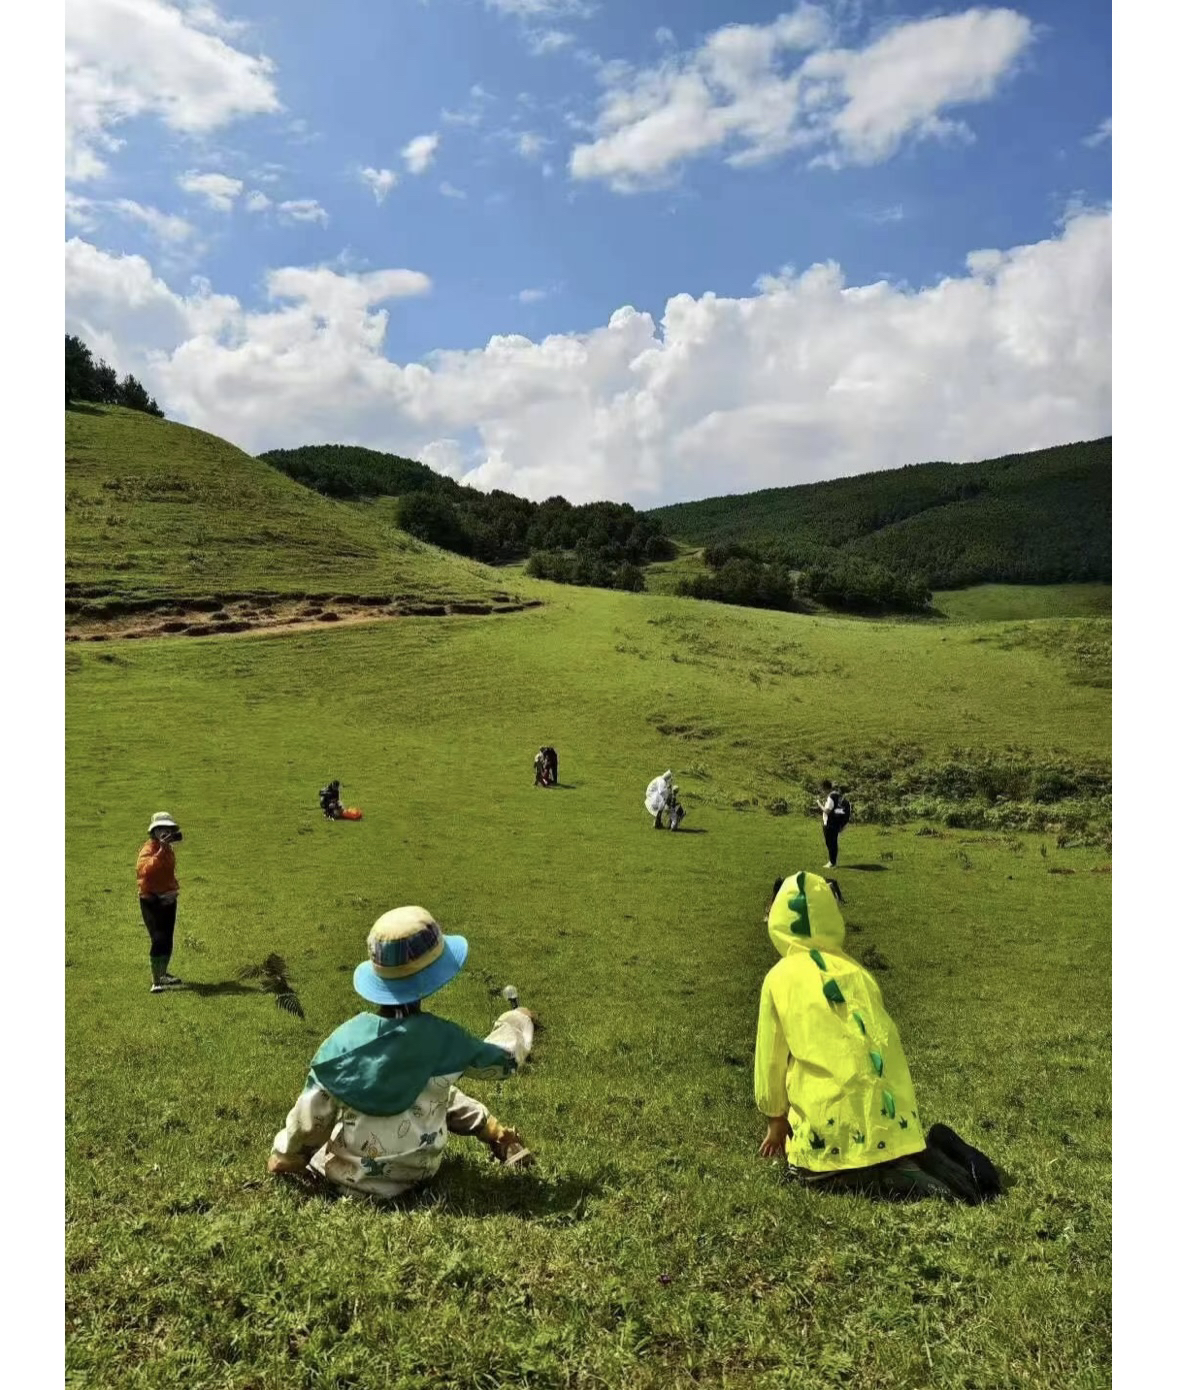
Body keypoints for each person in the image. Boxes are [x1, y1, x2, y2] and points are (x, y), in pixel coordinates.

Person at [754, 872, 999, 1202]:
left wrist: (775, 1121)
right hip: (893, 1128)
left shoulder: (779, 978)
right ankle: (928, 1156)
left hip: (830, 1143)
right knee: (890, 1154)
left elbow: (770, 1061)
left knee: (810, 1172)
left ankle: (908, 1177)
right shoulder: (859, 974)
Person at [267, 906, 540, 1200]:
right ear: (432, 976)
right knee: (439, 1091)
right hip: (421, 1171)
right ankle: (497, 1133)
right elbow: (503, 1060)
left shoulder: (342, 1046)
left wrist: (286, 1156)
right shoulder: (444, 1039)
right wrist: (517, 1020)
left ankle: (493, 1132)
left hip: (352, 1181)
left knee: (334, 1121)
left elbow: (311, 1117)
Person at [136, 812, 184, 994]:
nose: (165, 832)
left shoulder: (169, 850)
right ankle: (156, 980)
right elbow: (145, 871)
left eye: (168, 829)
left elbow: (167, 873)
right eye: (161, 829)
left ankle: (163, 974)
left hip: (168, 899)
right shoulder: (148, 849)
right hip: (151, 900)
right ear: (154, 831)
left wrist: (172, 890)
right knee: (158, 939)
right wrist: (160, 851)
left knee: (168, 939)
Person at [816, 780, 850, 868]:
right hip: (836, 823)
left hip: (830, 824)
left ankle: (832, 862)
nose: (822, 792)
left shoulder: (831, 797)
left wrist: (819, 804)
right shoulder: (838, 795)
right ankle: (833, 862)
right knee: (833, 843)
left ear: (825, 788)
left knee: (830, 843)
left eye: (822, 790)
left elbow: (827, 811)